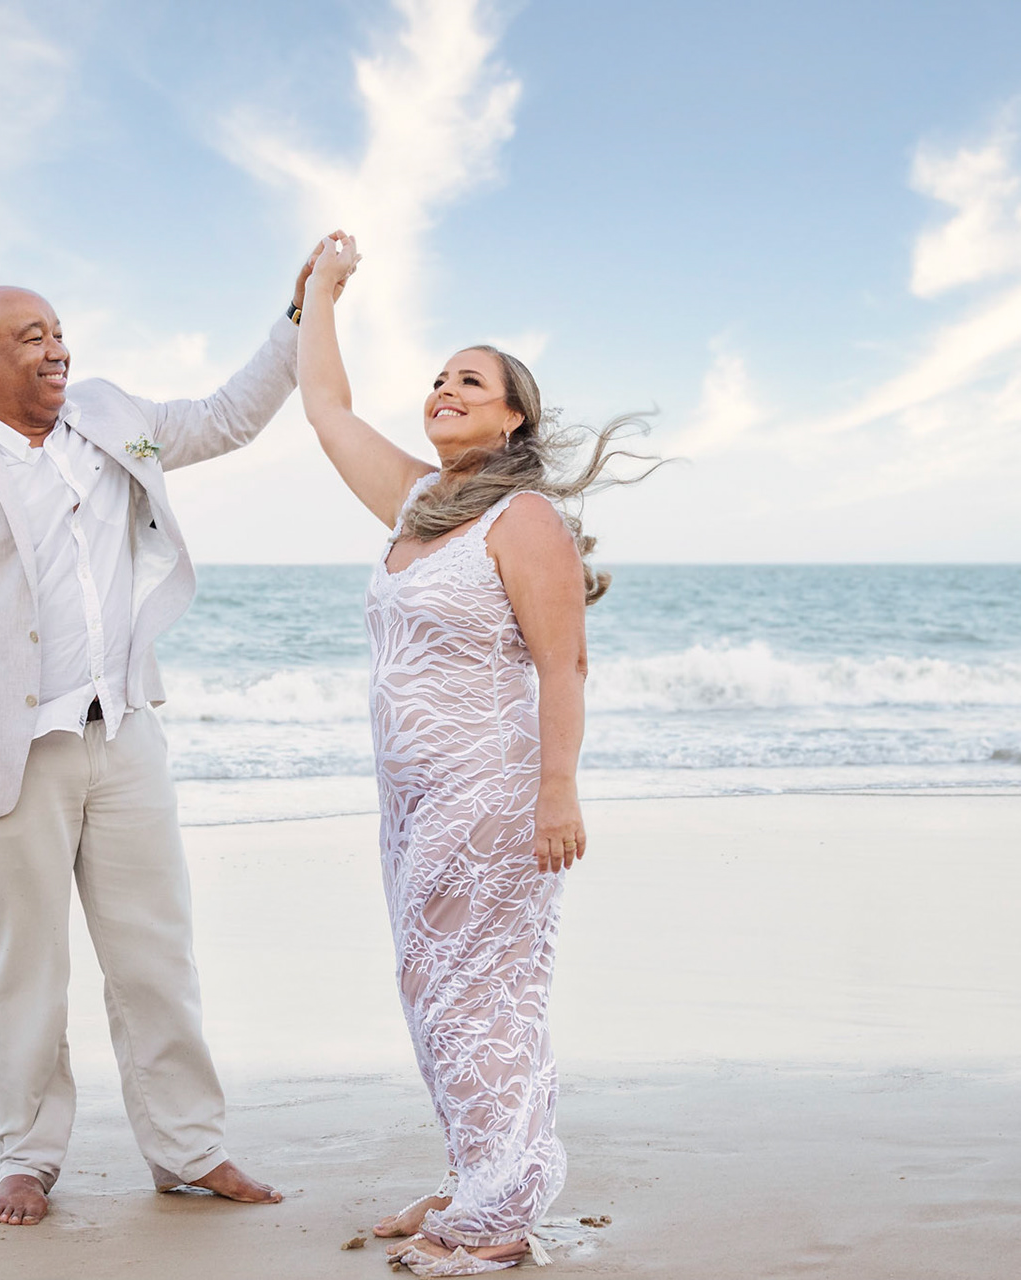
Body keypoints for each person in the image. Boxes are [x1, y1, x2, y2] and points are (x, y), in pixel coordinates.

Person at [0, 236, 353, 1227]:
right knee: (23, 967)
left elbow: (225, 416)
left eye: (58, 332)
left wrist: (299, 315)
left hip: (123, 732)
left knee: (155, 954)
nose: (55, 350)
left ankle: (189, 1148)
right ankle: (27, 1155)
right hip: (8, 751)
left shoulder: (112, 415)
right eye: (30, 336)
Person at [296, 234, 651, 1274]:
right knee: (435, 979)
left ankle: (500, 1216)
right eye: (440, 376)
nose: (446, 387)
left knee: (477, 987)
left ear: (513, 419)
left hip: (491, 790)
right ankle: (477, 1169)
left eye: (473, 380)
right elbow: (325, 410)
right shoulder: (418, 501)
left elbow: (565, 662)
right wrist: (320, 292)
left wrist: (557, 791)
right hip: (410, 798)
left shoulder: (522, 514)